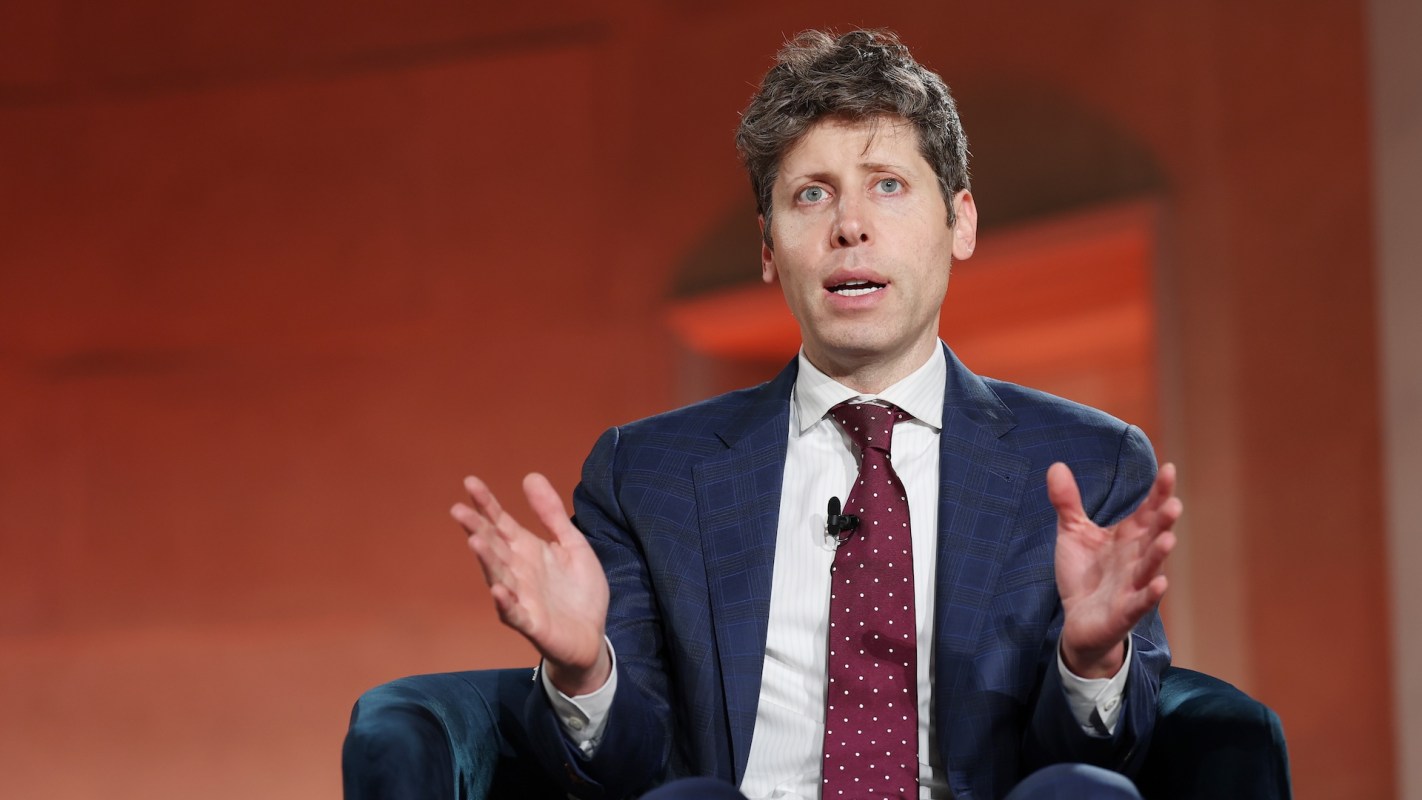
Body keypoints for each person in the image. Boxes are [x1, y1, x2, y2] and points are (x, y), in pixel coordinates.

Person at [452, 28, 1180, 800]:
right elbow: (630, 769)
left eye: (888, 185)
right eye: (811, 194)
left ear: (959, 222)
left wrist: (1091, 662)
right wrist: (584, 669)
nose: (849, 227)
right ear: (768, 248)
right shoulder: (646, 475)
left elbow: (1113, 754)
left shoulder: (1089, 463)